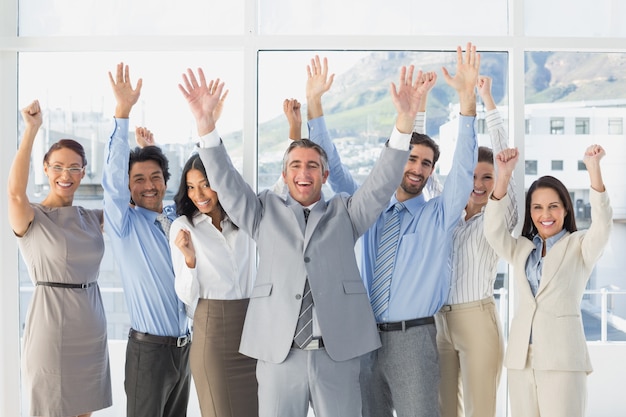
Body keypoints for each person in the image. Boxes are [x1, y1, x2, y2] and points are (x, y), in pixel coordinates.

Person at [179, 63, 426, 417]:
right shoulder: (263, 211)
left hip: (337, 354)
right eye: (295, 164)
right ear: (284, 174)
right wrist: (206, 127)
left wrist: (404, 123)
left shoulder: (347, 212)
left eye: (312, 165)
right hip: (280, 354)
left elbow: (382, 181)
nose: (303, 171)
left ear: (325, 175)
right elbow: (227, 183)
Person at [307, 44, 480, 417]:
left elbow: (464, 173)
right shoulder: (366, 208)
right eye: (411, 159)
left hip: (414, 340)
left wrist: (468, 102)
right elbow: (331, 167)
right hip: (363, 338)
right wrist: (314, 106)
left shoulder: (439, 216)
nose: (418, 169)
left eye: (427, 164)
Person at [484, 144, 612, 417]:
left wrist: (594, 170)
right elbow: (493, 233)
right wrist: (503, 176)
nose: (545, 215)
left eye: (553, 206)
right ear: (530, 212)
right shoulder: (522, 248)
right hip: (521, 358)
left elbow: (602, 226)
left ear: (565, 209)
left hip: (563, 359)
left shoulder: (579, 245)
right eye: (538, 207)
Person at [8, 100, 111, 417]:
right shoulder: (32, 217)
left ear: (83, 173)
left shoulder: (91, 217)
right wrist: (31, 130)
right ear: (45, 168)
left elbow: (129, 210)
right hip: (50, 330)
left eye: (73, 168)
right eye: (57, 167)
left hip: (90, 327)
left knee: (84, 413)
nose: (65, 175)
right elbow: (14, 193)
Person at [102, 62, 191, 417]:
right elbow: (111, 181)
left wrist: (152, 148)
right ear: (127, 186)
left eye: (156, 177)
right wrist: (122, 114)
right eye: (138, 179)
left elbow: (181, 187)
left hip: (184, 349)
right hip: (148, 352)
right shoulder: (124, 223)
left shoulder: (172, 218)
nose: (149, 184)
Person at [434, 75, 518, 417]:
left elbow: (504, 160)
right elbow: (421, 172)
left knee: (480, 411)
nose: (479, 184)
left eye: (487, 176)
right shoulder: (446, 213)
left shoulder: (497, 218)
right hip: (439, 323)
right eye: (472, 175)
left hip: (477, 321)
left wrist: (487, 99)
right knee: (443, 411)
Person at [169, 154, 259, 417]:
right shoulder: (184, 227)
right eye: (191, 186)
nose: (199, 194)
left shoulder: (244, 220)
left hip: (253, 332)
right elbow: (187, 296)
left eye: (205, 184)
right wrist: (189, 260)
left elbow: (278, 195)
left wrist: (293, 133)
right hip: (213, 334)